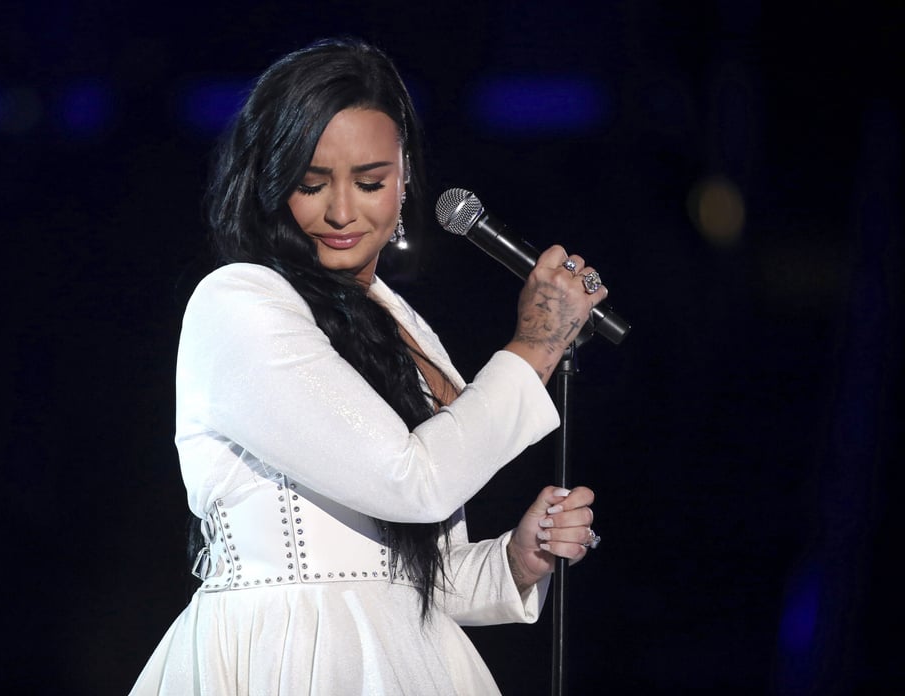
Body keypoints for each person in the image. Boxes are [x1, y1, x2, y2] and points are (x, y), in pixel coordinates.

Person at [130, 37, 608, 696]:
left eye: (371, 181)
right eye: (311, 182)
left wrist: (515, 561)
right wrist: (536, 344)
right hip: (288, 653)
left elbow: (415, 573)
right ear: (272, 183)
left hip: (408, 659)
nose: (343, 212)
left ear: (406, 176)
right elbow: (412, 480)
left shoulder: (403, 325)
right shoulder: (240, 304)